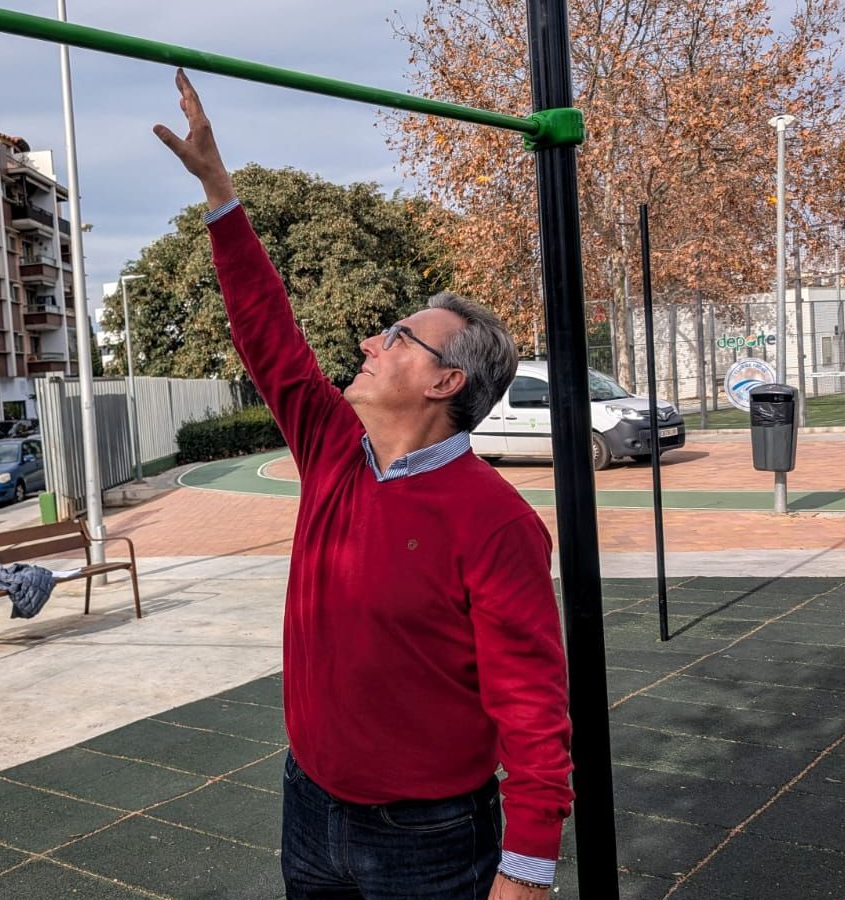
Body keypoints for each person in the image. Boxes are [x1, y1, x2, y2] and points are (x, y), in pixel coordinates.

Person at [154, 70, 573, 900]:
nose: (373, 341)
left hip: (430, 836)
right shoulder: (334, 452)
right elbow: (269, 336)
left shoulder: (493, 523)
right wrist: (218, 191)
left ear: (446, 383)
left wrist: (525, 870)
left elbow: (532, 706)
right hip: (309, 805)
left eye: (400, 337)